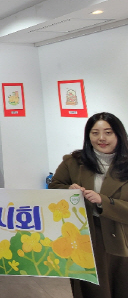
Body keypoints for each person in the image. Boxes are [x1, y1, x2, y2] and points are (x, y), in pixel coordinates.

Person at [49, 112, 128, 298]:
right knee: (92, 289)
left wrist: (103, 201)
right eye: (95, 133)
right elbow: (54, 188)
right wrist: (69, 190)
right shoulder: (73, 161)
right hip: (85, 236)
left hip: (122, 236)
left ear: (119, 134)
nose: (101, 138)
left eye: (108, 132)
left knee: (121, 286)